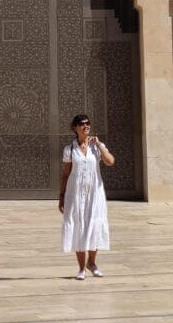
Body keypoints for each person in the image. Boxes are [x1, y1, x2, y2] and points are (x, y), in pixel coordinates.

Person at [59, 114, 115, 280]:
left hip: (94, 194)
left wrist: (99, 144)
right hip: (75, 194)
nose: (86, 126)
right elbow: (66, 174)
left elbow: (110, 161)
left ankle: (92, 263)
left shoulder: (97, 147)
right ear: (75, 128)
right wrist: (62, 196)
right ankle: (81, 268)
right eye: (82, 124)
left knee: (94, 225)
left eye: (88, 123)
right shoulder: (69, 149)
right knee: (78, 226)